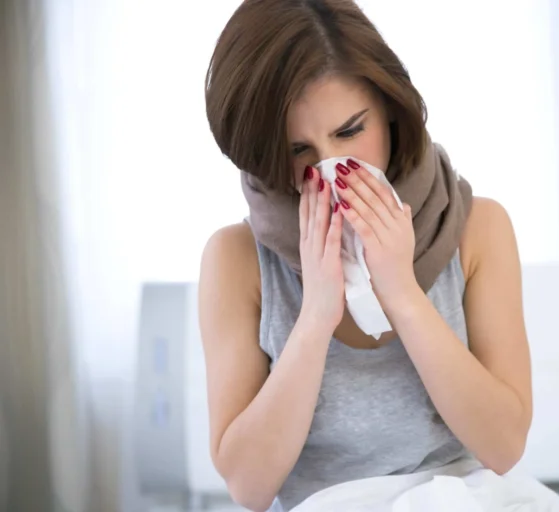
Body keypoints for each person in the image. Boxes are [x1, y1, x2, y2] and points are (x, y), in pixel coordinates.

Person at [198, 0, 532, 510]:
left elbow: (505, 446)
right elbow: (248, 486)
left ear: (390, 112)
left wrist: (400, 292)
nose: (331, 167)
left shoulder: (478, 228)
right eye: (297, 151)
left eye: (350, 131)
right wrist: (315, 316)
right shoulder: (237, 260)